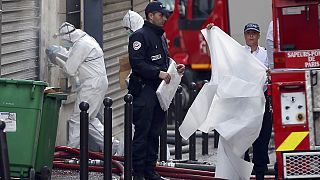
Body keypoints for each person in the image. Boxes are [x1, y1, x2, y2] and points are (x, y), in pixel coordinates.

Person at [128, 2, 185, 180]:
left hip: (159, 92)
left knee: (154, 133)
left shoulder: (160, 36)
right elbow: (137, 63)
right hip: (144, 91)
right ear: (150, 15)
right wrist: (158, 73)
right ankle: (137, 173)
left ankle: (150, 171)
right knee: (142, 134)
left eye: (165, 15)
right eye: (161, 15)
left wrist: (174, 67)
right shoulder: (139, 36)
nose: (165, 18)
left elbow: (163, 60)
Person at [45, 22, 108, 150]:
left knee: (78, 118)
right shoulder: (85, 39)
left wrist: (56, 59)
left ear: (68, 37)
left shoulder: (81, 45)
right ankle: (113, 147)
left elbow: (70, 69)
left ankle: (71, 151)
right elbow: (73, 56)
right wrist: (62, 52)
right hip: (96, 83)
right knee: (88, 119)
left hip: (92, 85)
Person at [242, 23, 272, 180]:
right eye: (248, 33)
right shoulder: (239, 53)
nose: (251, 36)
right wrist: (212, 32)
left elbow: (271, 73)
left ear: (259, 36)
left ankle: (260, 172)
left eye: (254, 33)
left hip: (262, 100)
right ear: (245, 35)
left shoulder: (266, 55)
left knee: (262, 137)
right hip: (243, 102)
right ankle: (244, 171)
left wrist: (269, 73)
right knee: (241, 136)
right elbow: (222, 54)